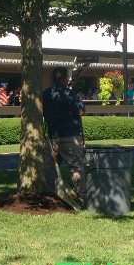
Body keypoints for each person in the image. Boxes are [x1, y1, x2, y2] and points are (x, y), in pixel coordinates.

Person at [43, 67, 86, 202]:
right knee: (75, 165)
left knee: (50, 165)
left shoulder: (44, 94)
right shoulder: (69, 94)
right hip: (69, 135)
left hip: (52, 136)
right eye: (67, 78)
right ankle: (81, 196)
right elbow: (81, 112)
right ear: (63, 79)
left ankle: (50, 193)